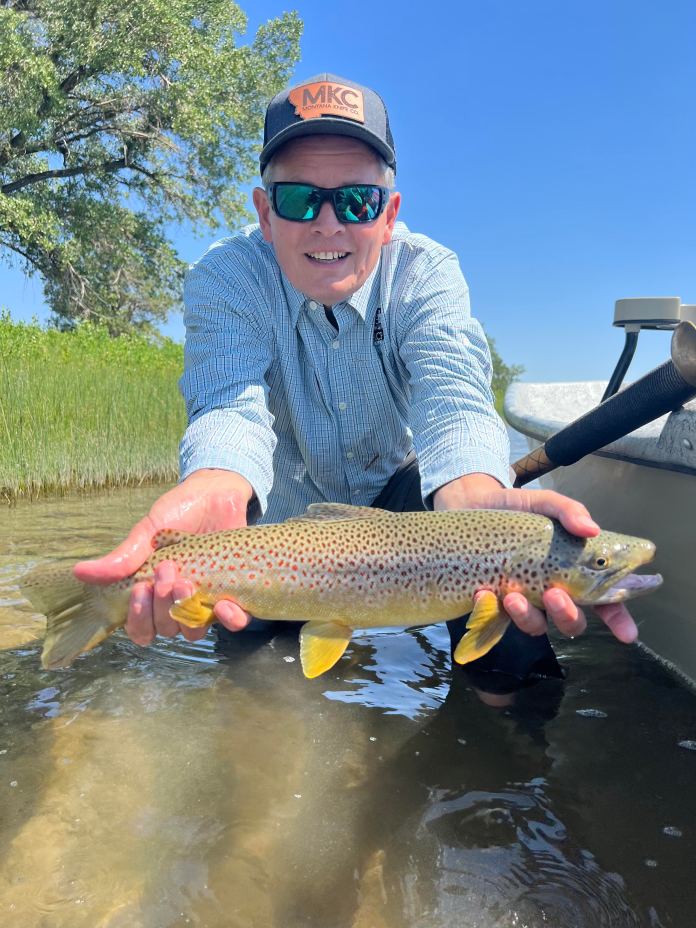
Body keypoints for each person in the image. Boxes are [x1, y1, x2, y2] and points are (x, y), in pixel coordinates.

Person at [74, 74, 637, 682]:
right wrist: (216, 482)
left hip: (402, 516)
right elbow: (228, 406)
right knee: (258, 696)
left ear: (388, 213)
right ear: (264, 213)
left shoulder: (426, 273)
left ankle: (511, 752)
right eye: (297, 199)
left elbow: (452, 398)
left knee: (502, 596)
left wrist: (474, 496)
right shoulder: (225, 276)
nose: (327, 223)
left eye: (356, 201)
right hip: (274, 532)